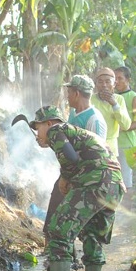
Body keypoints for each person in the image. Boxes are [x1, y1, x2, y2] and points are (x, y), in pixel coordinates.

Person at [26, 106, 124, 271]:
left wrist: (66, 176)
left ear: (49, 123)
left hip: (94, 182)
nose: (38, 134)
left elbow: (71, 159)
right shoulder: (78, 134)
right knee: (93, 237)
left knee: (58, 231)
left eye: (38, 128)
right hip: (114, 185)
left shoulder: (56, 130)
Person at [43, 75, 108, 240]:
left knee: (74, 223)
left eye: (69, 91)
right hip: (70, 172)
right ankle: (54, 252)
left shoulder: (95, 120)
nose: (67, 95)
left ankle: (64, 255)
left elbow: (95, 154)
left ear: (77, 94)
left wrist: (71, 177)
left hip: (87, 177)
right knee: (54, 213)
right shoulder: (72, 114)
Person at [90, 67, 131, 158]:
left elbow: (126, 125)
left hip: (110, 150)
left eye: (108, 81)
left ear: (114, 84)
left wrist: (114, 105)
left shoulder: (119, 99)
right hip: (91, 148)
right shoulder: (90, 99)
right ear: (96, 84)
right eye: (100, 82)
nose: (104, 85)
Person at [114, 66, 136, 190]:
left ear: (128, 79)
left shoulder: (134, 97)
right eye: (115, 78)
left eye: (120, 78)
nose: (116, 81)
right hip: (112, 143)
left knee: (126, 182)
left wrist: (123, 128)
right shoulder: (112, 97)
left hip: (127, 145)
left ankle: (125, 208)